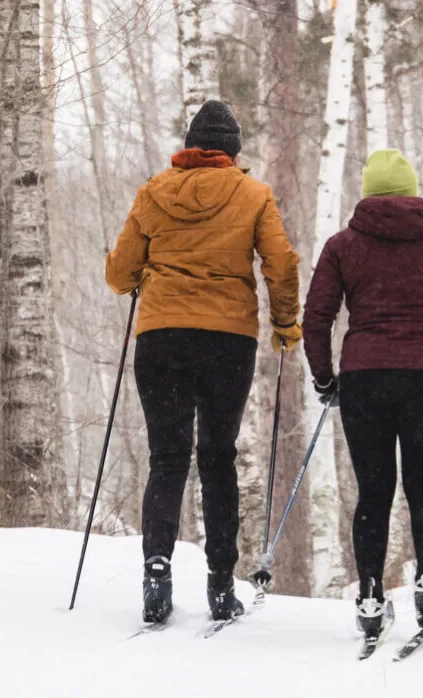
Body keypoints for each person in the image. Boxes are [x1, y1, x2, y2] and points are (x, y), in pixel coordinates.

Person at [105, 99, 303, 625]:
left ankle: (156, 568)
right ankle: (220, 583)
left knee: (167, 458)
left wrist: (140, 278)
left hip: (162, 337)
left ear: (192, 146)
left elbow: (120, 273)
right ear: (233, 151)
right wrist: (286, 324)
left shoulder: (153, 192)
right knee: (218, 458)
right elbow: (280, 263)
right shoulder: (253, 194)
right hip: (227, 341)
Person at [302, 149, 423, 638]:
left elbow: (317, 318)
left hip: (365, 378)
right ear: (410, 190)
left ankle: (368, 595)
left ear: (368, 193)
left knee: (374, 491)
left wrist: (325, 379)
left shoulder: (343, 244)